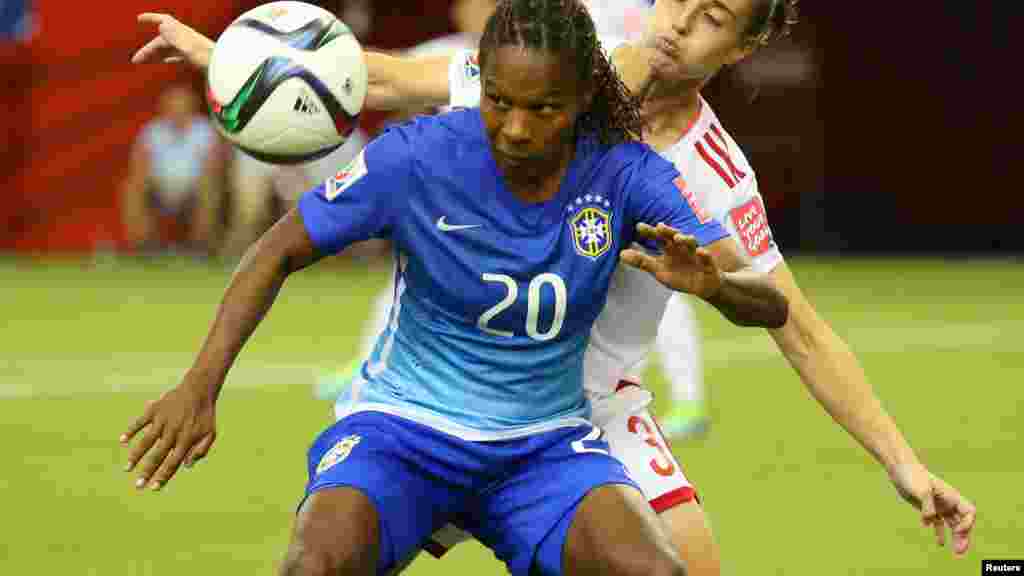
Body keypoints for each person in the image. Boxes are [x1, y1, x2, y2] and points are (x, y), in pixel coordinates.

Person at [131, 1, 978, 573]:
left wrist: (902, 463)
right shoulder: (554, 79)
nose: (683, 21)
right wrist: (238, 63)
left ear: (744, 48)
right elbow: (381, 78)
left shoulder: (709, 175)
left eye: (715, 16)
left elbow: (799, 329)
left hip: (581, 417)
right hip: (440, 393)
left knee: (689, 564)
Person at [121, 84, 223, 255]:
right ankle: (145, 246)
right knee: (131, 188)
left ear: (191, 107)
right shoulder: (152, 130)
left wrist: (204, 180)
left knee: (210, 187)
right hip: (158, 188)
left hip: (194, 188)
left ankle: (198, 247)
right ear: (165, 108)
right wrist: (142, 182)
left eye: (182, 106)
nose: (177, 112)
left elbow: (214, 166)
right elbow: (139, 165)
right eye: (173, 107)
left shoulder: (204, 131)